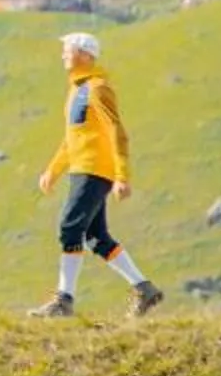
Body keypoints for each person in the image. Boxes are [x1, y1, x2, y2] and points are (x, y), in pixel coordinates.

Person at [30, 32, 165, 318]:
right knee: (95, 236)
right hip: (81, 168)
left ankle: (63, 300)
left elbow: (116, 131)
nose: (63, 54)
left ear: (86, 55)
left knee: (69, 228)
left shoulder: (98, 89)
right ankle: (144, 289)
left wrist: (122, 176)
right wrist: (53, 171)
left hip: (94, 169)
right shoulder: (76, 91)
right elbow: (72, 139)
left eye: (68, 49)